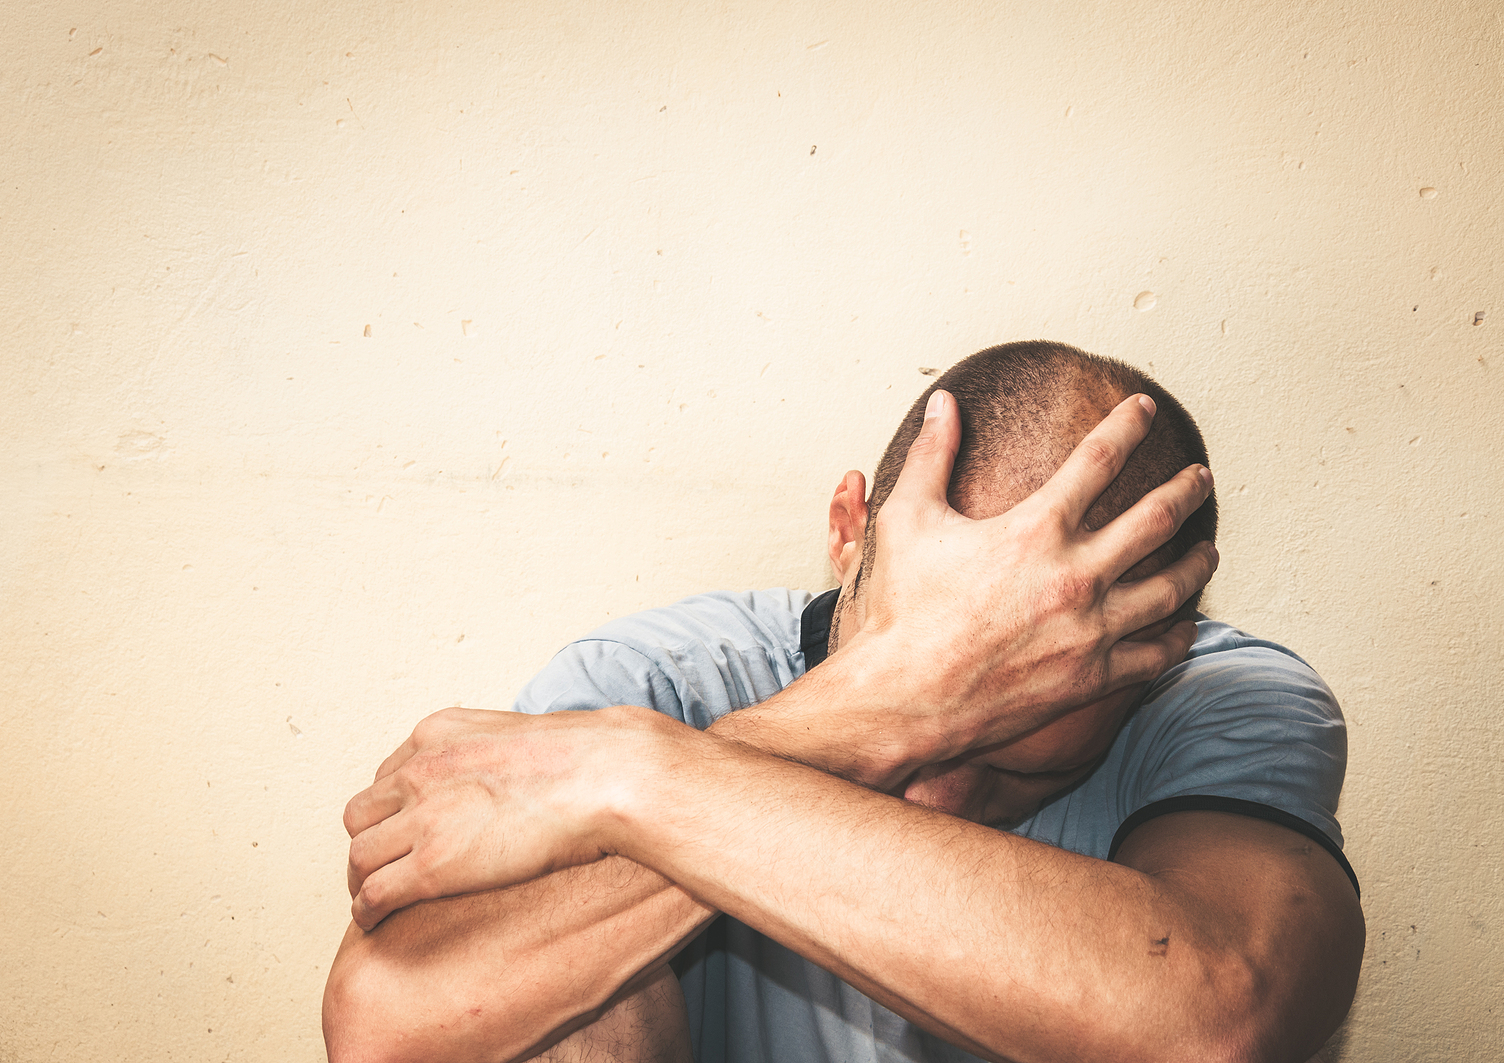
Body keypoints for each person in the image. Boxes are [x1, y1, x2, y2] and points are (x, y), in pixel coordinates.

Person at [321, 341, 1364, 1063]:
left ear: (1153, 649)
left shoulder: (1222, 696)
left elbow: (1214, 1026)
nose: (941, 793)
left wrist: (636, 776)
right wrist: (862, 719)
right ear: (847, 528)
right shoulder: (662, 680)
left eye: (1018, 755)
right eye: (933, 667)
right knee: (552, 998)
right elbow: (390, 1022)